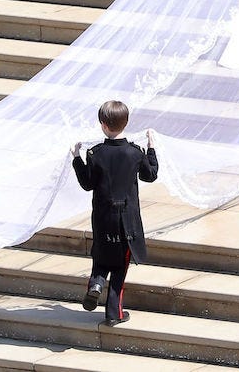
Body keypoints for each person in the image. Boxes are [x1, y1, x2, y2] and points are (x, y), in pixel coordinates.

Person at [71, 100, 160, 327]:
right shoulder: (135, 152)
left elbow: (87, 183)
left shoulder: (95, 153)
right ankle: (114, 312)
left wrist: (76, 158)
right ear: (126, 123)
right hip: (126, 220)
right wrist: (151, 148)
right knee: (121, 264)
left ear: (102, 125)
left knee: (101, 254)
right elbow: (150, 175)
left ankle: (96, 284)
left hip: (102, 217)